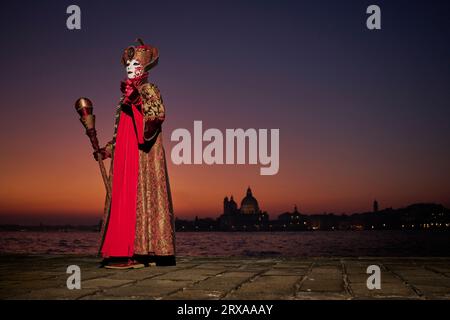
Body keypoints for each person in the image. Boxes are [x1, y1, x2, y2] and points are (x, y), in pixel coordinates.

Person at [94, 39, 176, 269]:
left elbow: (157, 115)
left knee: (142, 197)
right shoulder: (124, 98)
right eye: (127, 64)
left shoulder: (149, 89)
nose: (130, 68)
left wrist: (137, 100)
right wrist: (108, 150)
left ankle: (144, 252)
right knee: (126, 199)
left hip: (143, 156)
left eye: (135, 64)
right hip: (126, 154)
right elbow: (123, 131)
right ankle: (133, 251)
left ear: (145, 67)